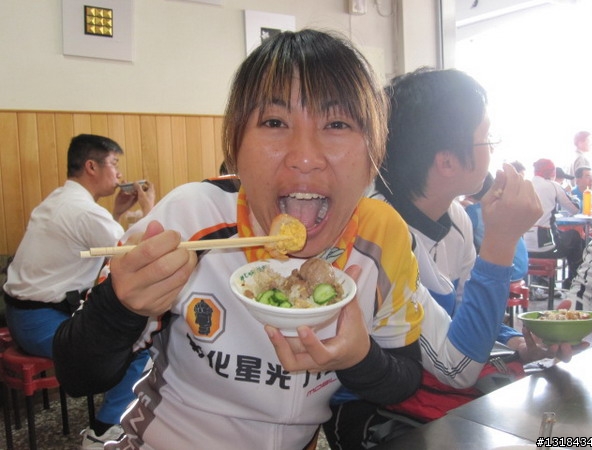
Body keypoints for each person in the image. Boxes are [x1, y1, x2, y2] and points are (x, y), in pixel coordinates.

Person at [52, 30, 548, 450]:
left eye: (337, 124)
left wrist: (358, 360)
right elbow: (78, 375)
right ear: (234, 149)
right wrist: (119, 307)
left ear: (372, 156)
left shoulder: (380, 237)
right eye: (274, 123)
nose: (305, 156)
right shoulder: (192, 219)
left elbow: (402, 378)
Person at [325, 68, 568, 449]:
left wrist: (521, 343)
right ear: (448, 162)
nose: (492, 151)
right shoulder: (377, 231)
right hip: (375, 411)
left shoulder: (455, 218)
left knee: (559, 435)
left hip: (436, 398)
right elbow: (458, 369)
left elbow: (461, 320)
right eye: (487, 138)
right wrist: (501, 241)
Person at [3, 134, 155, 448]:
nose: (119, 174)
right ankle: (104, 430)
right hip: (43, 322)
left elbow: (105, 244)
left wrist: (115, 214)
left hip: (22, 317)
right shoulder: (84, 212)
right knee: (142, 344)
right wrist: (150, 209)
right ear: (91, 167)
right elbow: (138, 256)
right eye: (114, 164)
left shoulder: (60, 200)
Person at [524, 158, 585, 289]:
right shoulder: (553, 186)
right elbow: (574, 209)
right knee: (574, 236)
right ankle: (574, 281)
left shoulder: (524, 185)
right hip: (547, 247)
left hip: (523, 247)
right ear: (552, 172)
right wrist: (573, 198)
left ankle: (542, 281)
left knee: (561, 235)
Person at [465, 172, 528, 282]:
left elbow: (464, 239)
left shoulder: (473, 211)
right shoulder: (504, 206)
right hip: (521, 268)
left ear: (468, 194)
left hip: (503, 270)